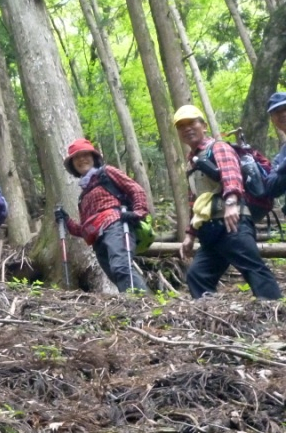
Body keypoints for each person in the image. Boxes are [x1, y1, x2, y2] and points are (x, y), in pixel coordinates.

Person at [174, 104, 281, 299]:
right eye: (181, 126)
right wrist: (190, 235)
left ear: (204, 126)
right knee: (198, 276)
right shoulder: (192, 162)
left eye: (192, 123)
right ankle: (212, 318)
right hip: (210, 230)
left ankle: (276, 315)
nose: (187, 128)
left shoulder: (218, 147)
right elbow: (197, 202)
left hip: (232, 223)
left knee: (253, 269)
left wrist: (232, 203)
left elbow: (231, 175)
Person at [53, 139, 151, 293]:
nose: (82, 159)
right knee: (115, 274)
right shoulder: (83, 196)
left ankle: (145, 307)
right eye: (77, 157)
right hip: (96, 238)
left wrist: (138, 212)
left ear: (94, 158)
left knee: (121, 267)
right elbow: (82, 229)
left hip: (116, 225)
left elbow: (135, 189)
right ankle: (141, 306)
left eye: (86, 155)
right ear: (73, 164)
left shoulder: (107, 172)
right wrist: (65, 219)